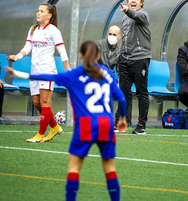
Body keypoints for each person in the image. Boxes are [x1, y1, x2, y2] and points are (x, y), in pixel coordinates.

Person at [7, 41, 127, 201]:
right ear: (98, 56)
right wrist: (123, 119)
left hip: (85, 124)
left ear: (80, 55)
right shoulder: (107, 73)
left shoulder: (74, 74)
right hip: (105, 123)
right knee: (110, 169)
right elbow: (122, 99)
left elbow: (48, 76)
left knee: (74, 168)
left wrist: (20, 74)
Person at [7, 3, 70, 143]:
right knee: (37, 103)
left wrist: (67, 69)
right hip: (34, 71)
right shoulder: (33, 29)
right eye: (38, 11)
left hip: (47, 71)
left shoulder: (54, 31)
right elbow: (27, 47)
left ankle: (40, 134)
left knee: (44, 102)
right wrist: (17, 57)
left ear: (49, 15)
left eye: (42, 11)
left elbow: (62, 51)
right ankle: (54, 127)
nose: (38, 13)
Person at [119, 0, 151, 135]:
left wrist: (127, 10)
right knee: (124, 92)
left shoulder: (143, 14)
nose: (133, 1)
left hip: (140, 59)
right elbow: (124, 39)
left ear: (141, 3)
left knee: (141, 93)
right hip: (125, 60)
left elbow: (135, 15)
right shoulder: (125, 19)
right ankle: (120, 123)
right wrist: (120, 57)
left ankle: (141, 126)